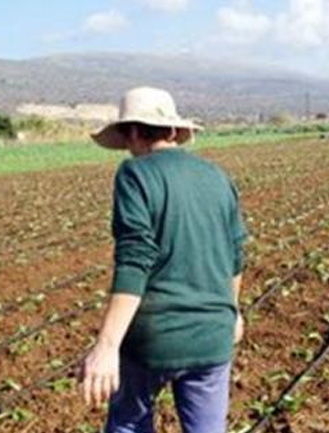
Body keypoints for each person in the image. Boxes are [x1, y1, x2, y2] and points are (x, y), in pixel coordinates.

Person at [81, 87, 248, 433]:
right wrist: (232, 311)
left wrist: (107, 345)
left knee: (128, 422)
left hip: (154, 338)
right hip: (213, 334)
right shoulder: (218, 177)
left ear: (132, 133)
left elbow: (135, 258)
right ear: (173, 131)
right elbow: (235, 254)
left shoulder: (135, 174)